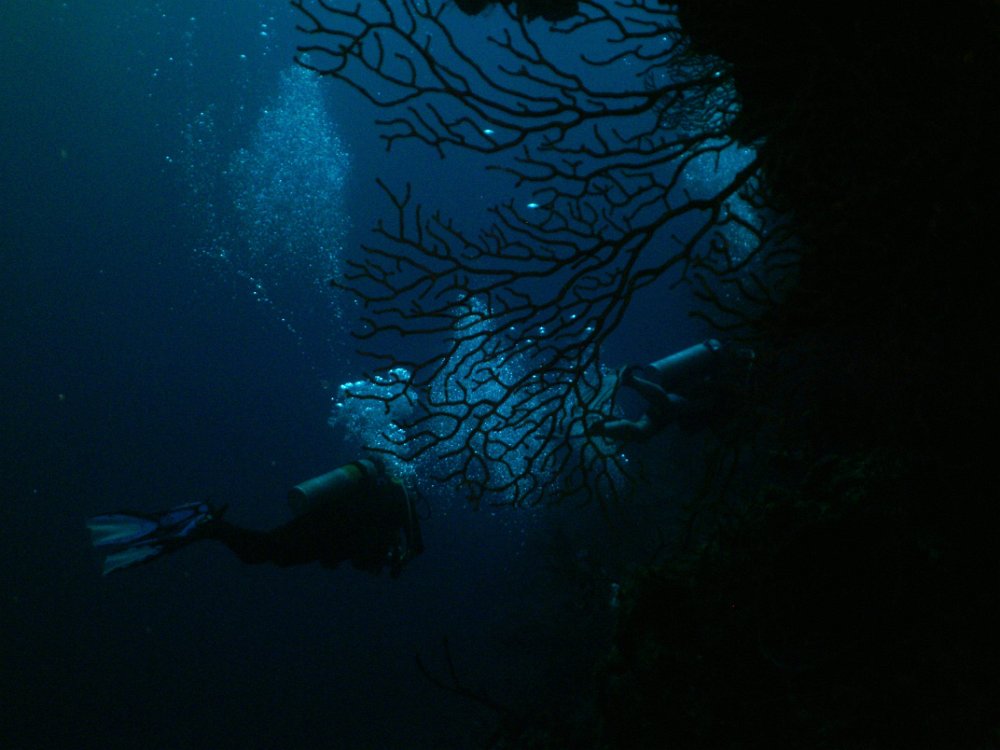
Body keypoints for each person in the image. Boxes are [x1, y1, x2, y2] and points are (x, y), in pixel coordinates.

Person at [86, 458, 423, 578]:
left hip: (324, 522)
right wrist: (398, 559)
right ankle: (207, 522)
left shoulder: (384, 499)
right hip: (328, 527)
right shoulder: (399, 504)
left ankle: (204, 522)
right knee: (261, 551)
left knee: (266, 551)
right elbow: (409, 547)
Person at [590, 339, 755, 442]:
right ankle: (630, 380)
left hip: (684, 405)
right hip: (687, 398)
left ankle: (599, 428)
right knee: (668, 405)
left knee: (642, 431)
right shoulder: (734, 381)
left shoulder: (732, 378)